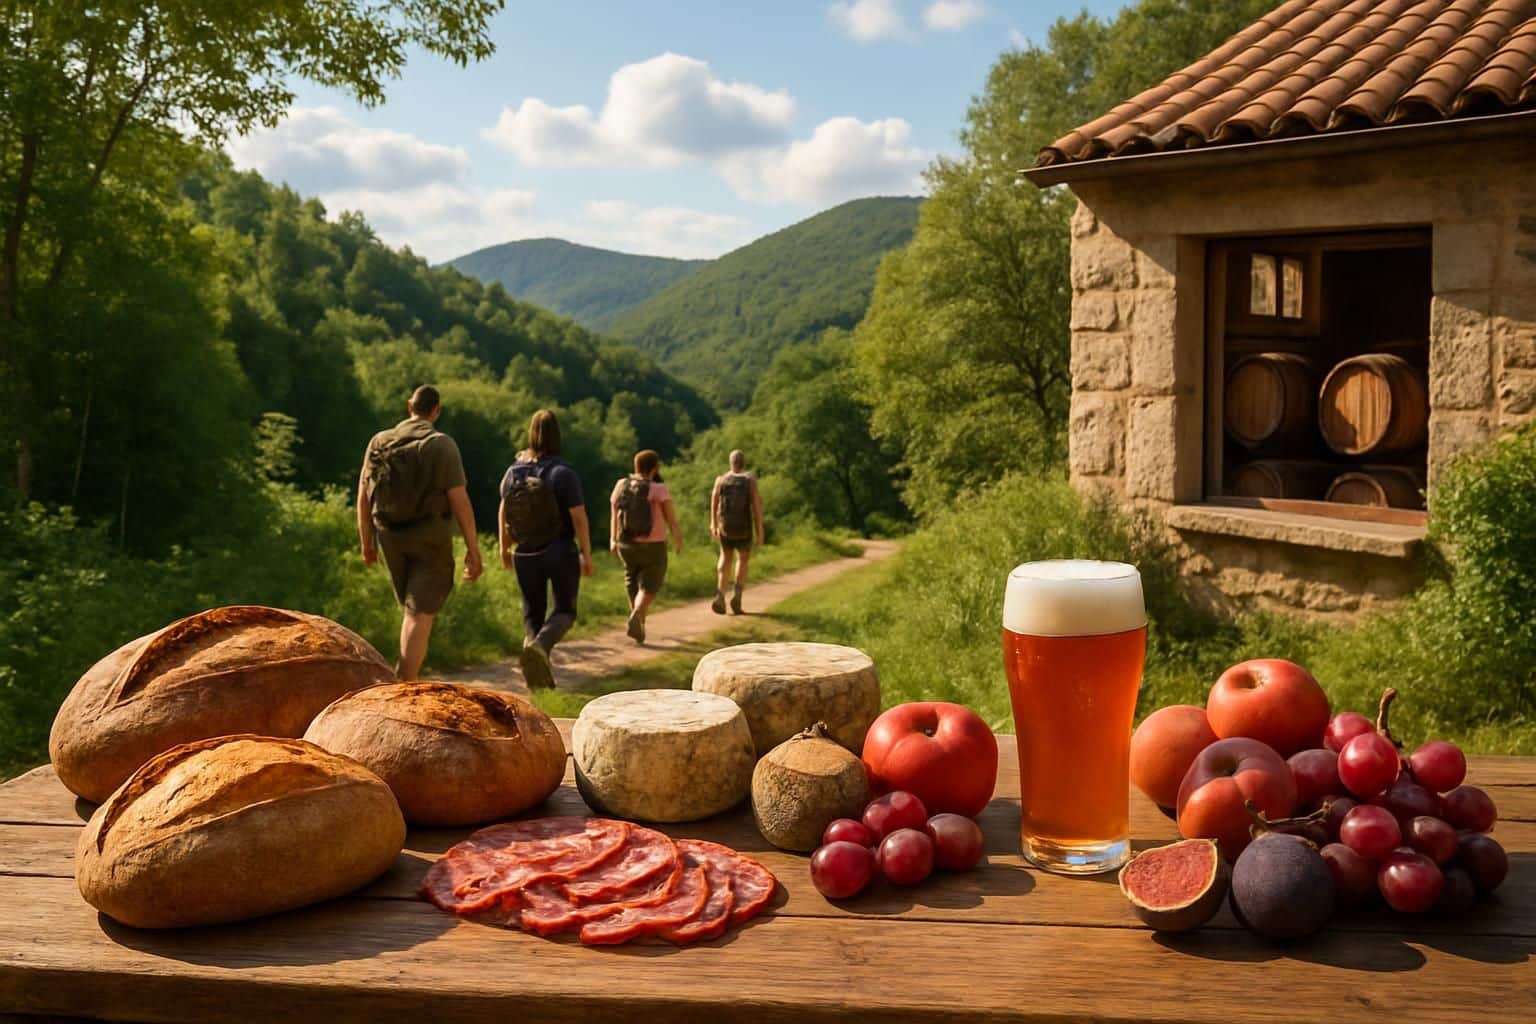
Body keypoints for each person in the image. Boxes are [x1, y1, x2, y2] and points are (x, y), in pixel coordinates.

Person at [356, 385, 482, 680]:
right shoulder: (441, 444)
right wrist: (473, 550)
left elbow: (363, 495)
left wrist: (366, 540)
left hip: (388, 535)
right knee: (419, 613)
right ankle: (402, 682)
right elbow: (459, 501)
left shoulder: (380, 441)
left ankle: (403, 676)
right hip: (429, 538)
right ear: (436, 411)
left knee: (411, 611)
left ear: (408, 406)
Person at [499, 409, 593, 689]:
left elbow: (503, 512)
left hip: (524, 553)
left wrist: (505, 549)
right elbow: (578, 517)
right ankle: (539, 647)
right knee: (565, 610)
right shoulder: (563, 473)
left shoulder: (513, 472)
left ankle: (533, 655)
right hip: (559, 549)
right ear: (557, 436)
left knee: (532, 611)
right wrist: (586, 553)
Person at [609, 449, 683, 645]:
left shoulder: (621, 485)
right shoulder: (658, 489)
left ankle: (639, 624)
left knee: (631, 579)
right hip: (653, 544)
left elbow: (614, 512)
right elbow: (671, 519)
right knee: (651, 583)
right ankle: (637, 614)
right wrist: (678, 539)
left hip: (625, 542)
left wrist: (613, 539)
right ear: (654, 467)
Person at [710, 449, 764, 615]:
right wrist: (760, 531)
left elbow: (714, 502)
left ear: (730, 462)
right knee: (742, 560)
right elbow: (756, 508)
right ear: (743, 462)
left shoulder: (721, 480)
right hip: (744, 529)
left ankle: (720, 595)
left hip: (725, 527)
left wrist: (714, 523)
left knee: (725, 558)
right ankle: (737, 596)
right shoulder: (749, 481)